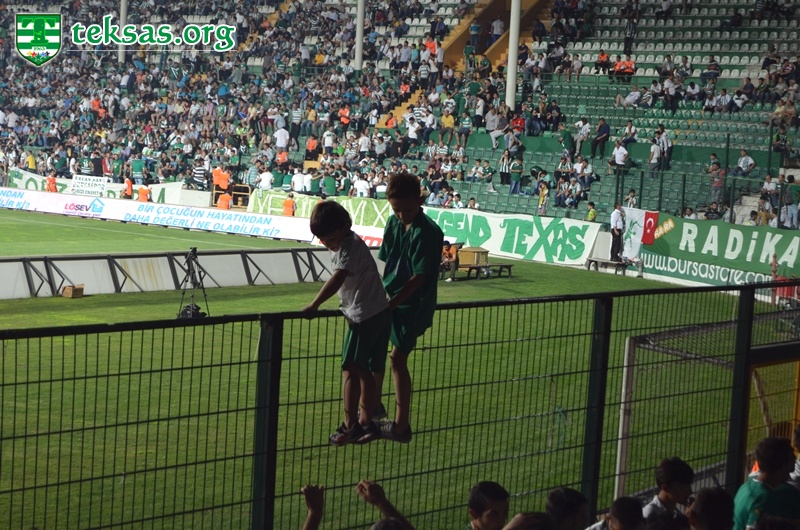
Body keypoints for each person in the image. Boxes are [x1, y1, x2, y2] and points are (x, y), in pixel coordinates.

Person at [302, 202, 390, 445]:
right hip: (376, 312)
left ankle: (351, 425)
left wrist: (314, 304)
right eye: (322, 240)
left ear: (345, 227)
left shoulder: (349, 245)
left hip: (363, 315)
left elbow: (338, 277)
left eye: (330, 238)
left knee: (350, 368)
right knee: (364, 369)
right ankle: (368, 416)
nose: (326, 244)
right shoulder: (349, 241)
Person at [371, 173, 444, 443]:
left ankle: (401, 425)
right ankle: (373, 408)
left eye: (407, 210)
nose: (401, 216)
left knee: (396, 358)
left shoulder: (428, 232)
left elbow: (420, 277)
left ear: (419, 201)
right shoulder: (393, 223)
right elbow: (385, 262)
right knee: (375, 350)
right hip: (390, 300)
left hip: (414, 305)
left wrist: (390, 303)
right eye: (396, 210)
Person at [733, 437, 800, 529]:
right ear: (783, 464)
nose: (795, 458)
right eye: (792, 455)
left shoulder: (746, 486)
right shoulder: (764, 498)